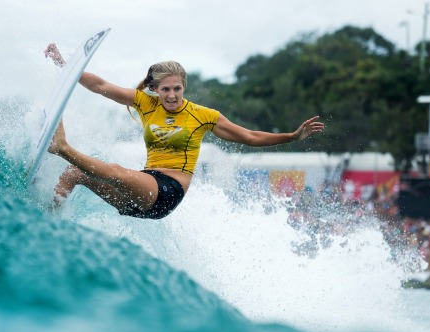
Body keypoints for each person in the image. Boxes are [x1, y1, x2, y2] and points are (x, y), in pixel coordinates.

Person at [44, 43, 324, 219]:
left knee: (115, 170)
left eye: (177, 88)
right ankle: (50, 224)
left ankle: (63, 148)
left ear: (184, 87)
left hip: (167, 191)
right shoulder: (145, 103)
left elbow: (249, 137)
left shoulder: (202, 116)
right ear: (155, 89)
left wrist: (291, 137)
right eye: (165, 89)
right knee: (72, 175)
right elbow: (101, 85)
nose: (172, 95)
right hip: (143, 191)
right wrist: (66, 66)